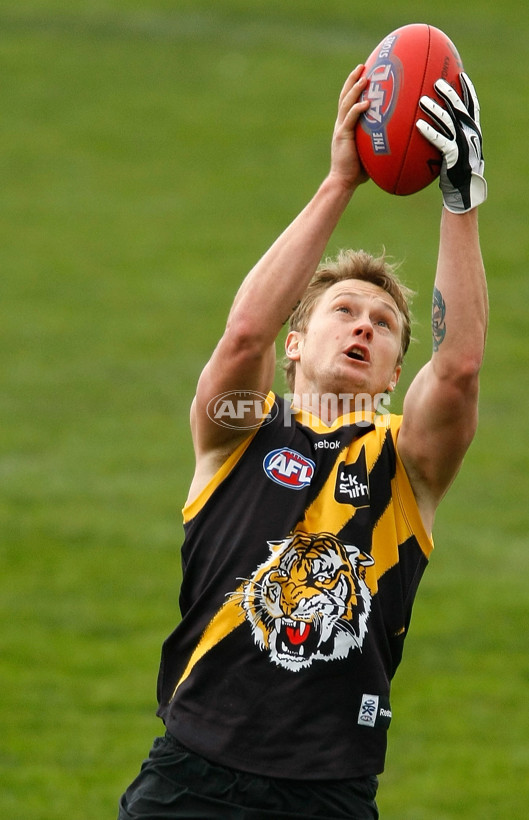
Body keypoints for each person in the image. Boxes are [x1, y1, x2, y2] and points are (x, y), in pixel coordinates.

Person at [118, 63, 488, 819]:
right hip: (191, 780)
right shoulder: (236, 435)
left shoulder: (406, 466)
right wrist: (338, 182)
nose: (362, 326)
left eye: (383, 325)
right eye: (343, 310)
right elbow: (243, 330)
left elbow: (459, 370)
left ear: (391, 374)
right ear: (296, 343)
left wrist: (460, 199)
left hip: (329, 797)